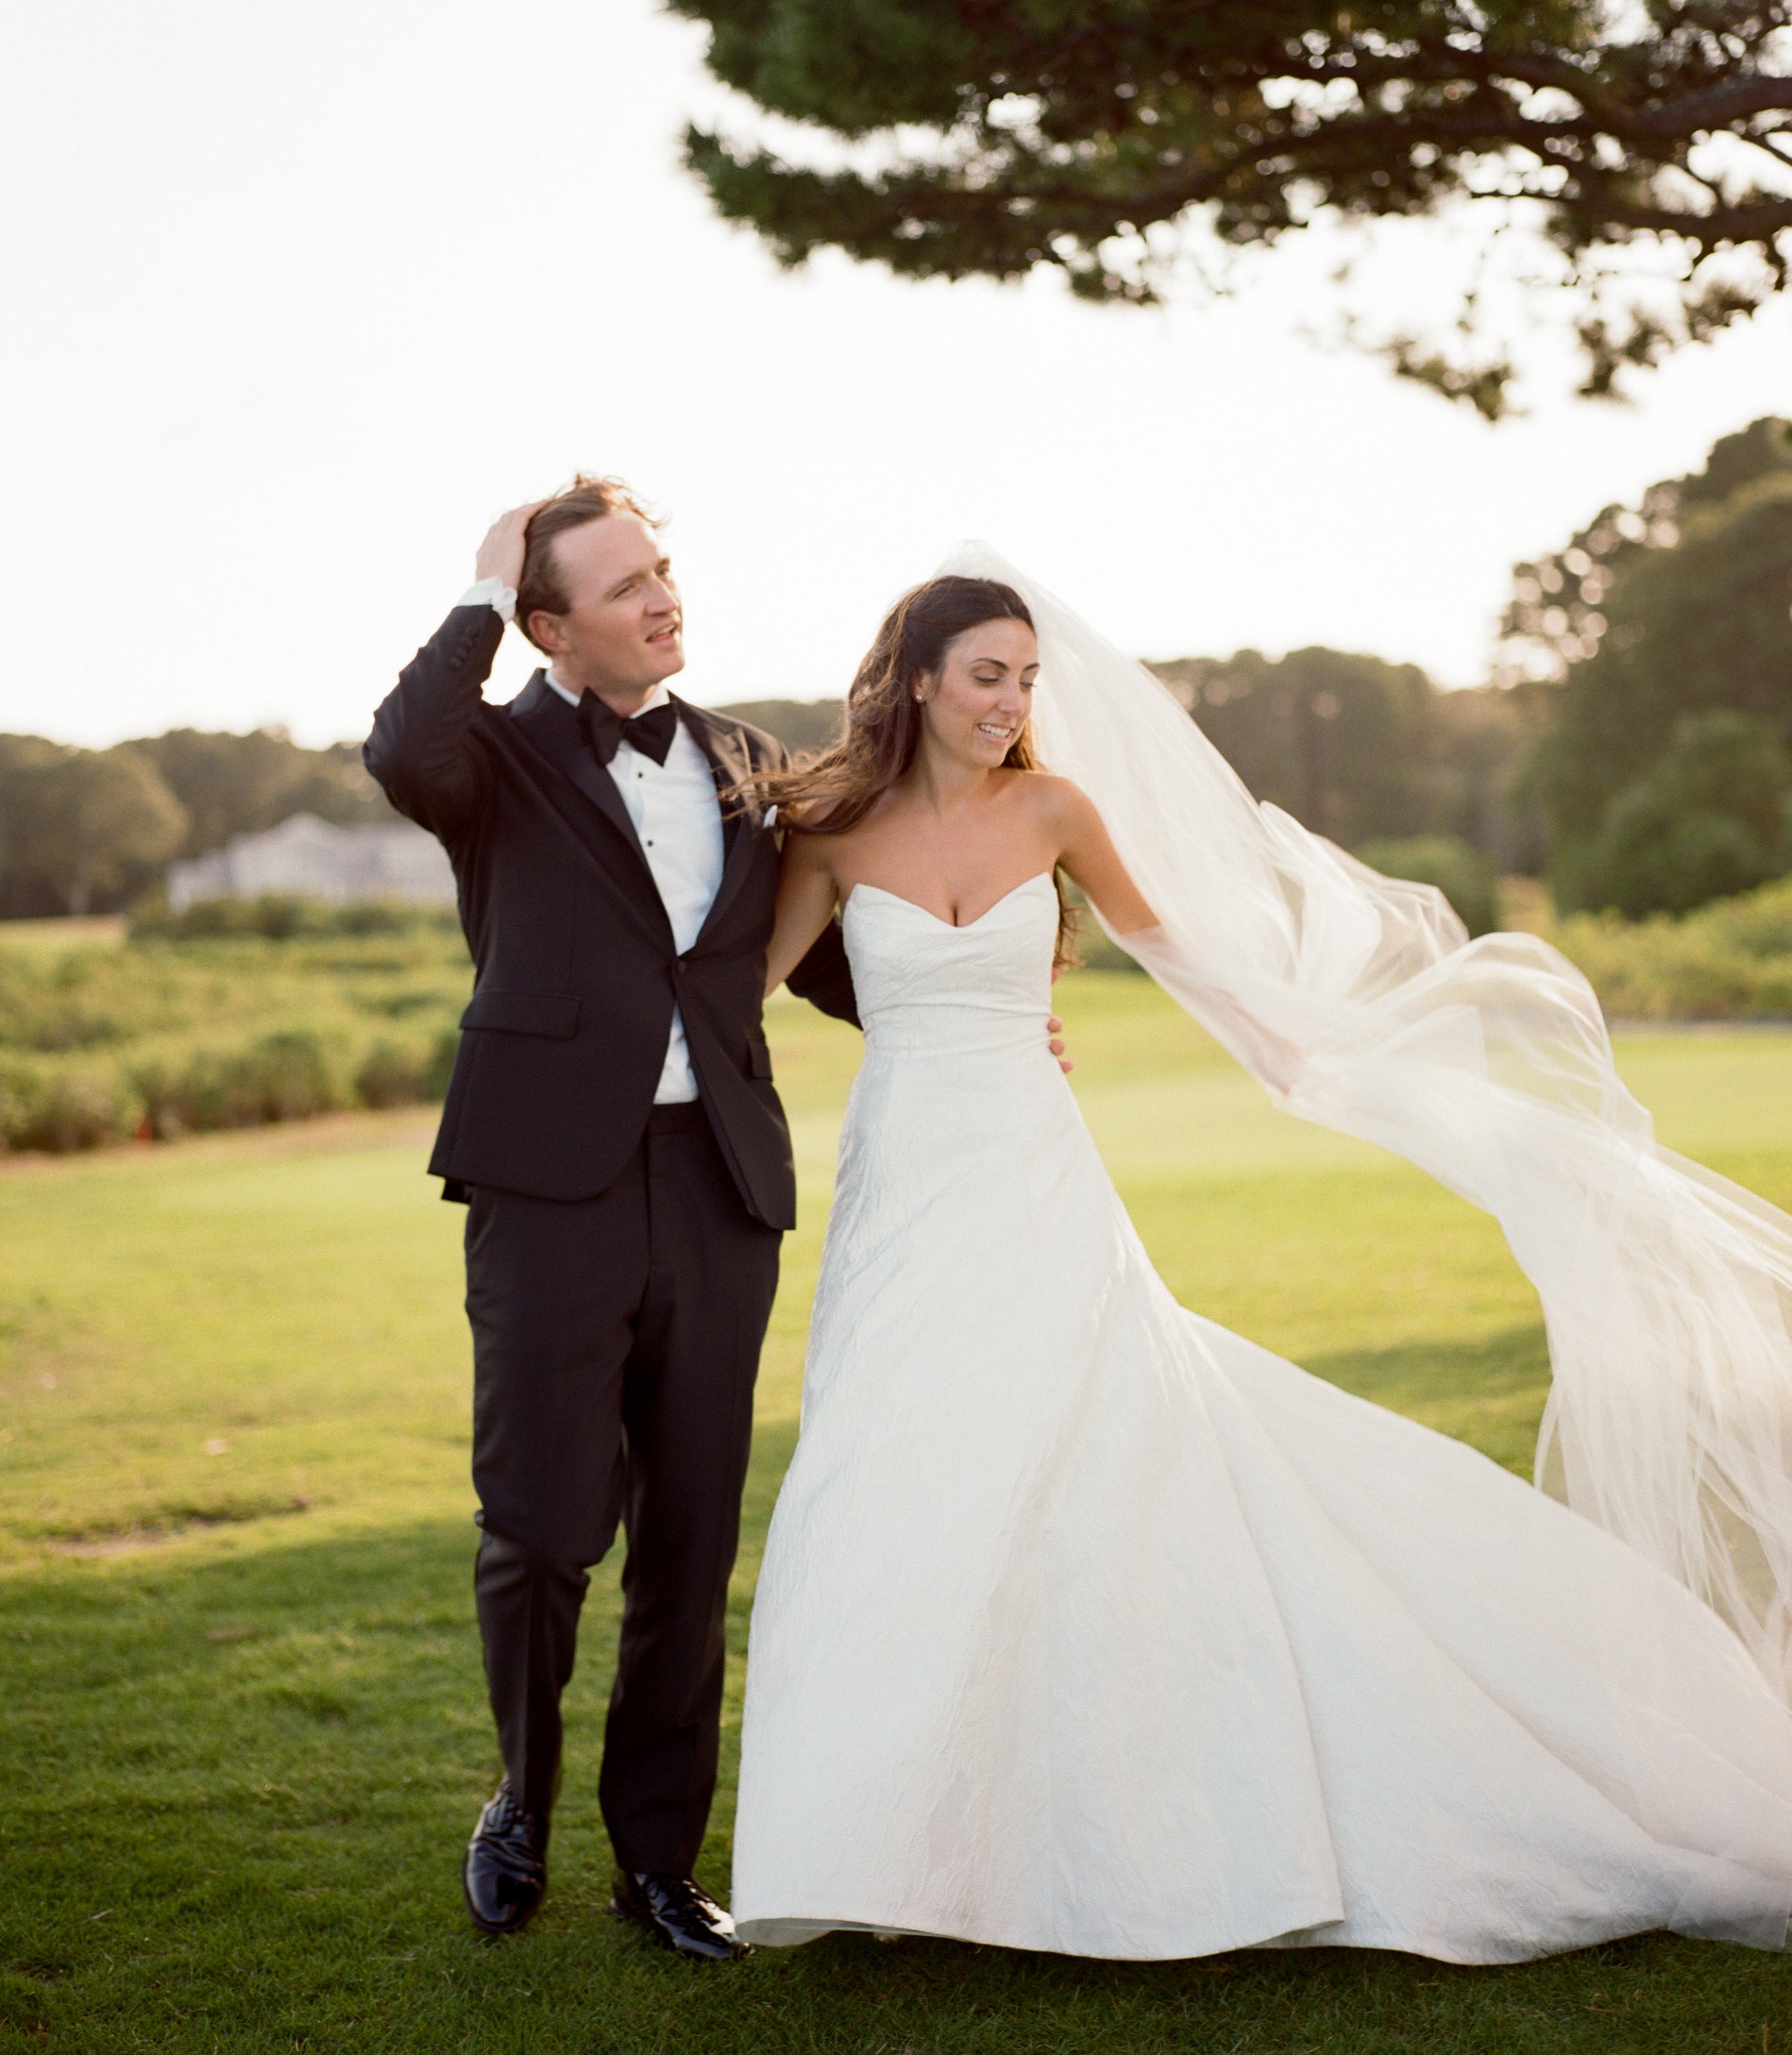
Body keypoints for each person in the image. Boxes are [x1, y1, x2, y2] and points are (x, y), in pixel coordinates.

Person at [731, 564, 1792, 1962]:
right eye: (986, 675)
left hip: (1031, 1170)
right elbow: (735, 994)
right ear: (917, 677)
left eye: (1027, 679)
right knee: (899, 1459)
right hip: (902, 1184)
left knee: (1083, 1444)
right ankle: (898, 1842)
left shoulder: (1053, 810)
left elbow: (1177, 949)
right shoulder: (829, 836)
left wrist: (1312, 1051)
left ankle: (1099, 1823)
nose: (1009, 704)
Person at [365, 484, 1073, 1955]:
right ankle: (519, 1799)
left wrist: (983, 1015)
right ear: (548, 624)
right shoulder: (488, 757)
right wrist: (484, 585)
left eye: (663, 573)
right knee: (544, 1530)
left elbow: (806, 951)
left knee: (690, 1538)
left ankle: (656, 1866)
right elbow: (401, 746)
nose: (662, 600)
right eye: (623, 587)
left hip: (718, 1189)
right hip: (544, 1187)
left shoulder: (751, 762)